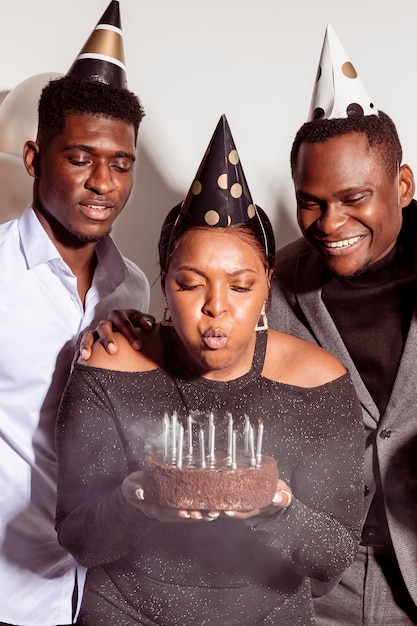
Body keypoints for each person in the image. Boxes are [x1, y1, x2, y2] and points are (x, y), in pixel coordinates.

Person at [55, 115, 364, 626]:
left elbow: (333, 555)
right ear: (163, 281)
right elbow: (78, 538)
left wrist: (277, 508)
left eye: (240, 286)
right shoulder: (111, 363)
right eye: (190, 284)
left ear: (267, 283)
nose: (215, 307)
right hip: (124, 614)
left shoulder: (317, 380)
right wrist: (135, 502)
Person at [0, 3, 151, 625]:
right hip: (8, 589)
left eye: (120, 164)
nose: (103, 183)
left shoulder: (135, 290)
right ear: (35, 157)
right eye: (81, 158)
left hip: (101, 593)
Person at [268, 27, 417, 625]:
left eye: (355, 197)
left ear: (402, 187)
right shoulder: (272, 284)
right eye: (312, 200)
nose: (331, 222)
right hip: (312, 586)